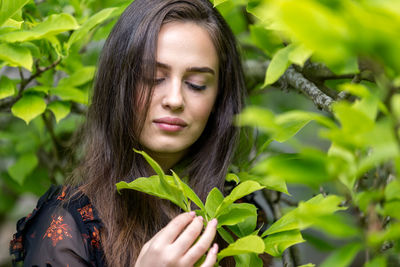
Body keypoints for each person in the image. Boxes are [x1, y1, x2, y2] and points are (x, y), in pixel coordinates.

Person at [10, 0, 247, 266]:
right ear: (118, 83)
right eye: (152, 77)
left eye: (196, 84)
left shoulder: (239, 211)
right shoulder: (66, 228)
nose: (174, 99)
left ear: (219, 100)